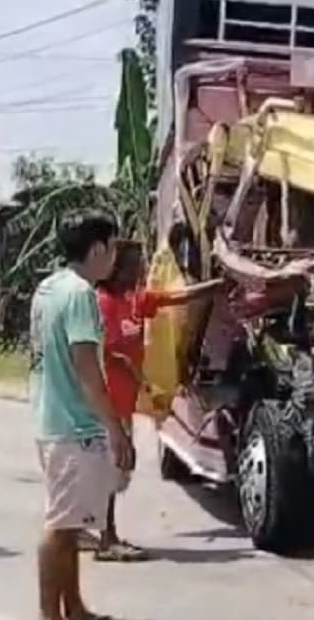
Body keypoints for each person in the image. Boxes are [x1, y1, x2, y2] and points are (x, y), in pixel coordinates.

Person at [89, 239, 221, 562]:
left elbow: (171, 299)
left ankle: (97, 532)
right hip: (108, 404)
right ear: (116, 269)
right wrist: (138, 375)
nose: (140, 271)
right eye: (134, 265)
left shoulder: (135, 301)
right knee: (111, 468)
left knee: (117, 470)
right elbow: (108, 349)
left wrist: (213, 287)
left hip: (125, 402)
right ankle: (106, 538)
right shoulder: (103, 302)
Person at [29, 209, 132, 620]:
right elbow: (87, 368)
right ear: (98, 248)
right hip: (74, 426)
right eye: (113, 248)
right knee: (59, 526)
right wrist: (116, 429)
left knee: (70, 526)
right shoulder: (80, 295)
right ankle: (49, 614)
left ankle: (72, 607)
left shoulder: (48, 288)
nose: (115, 259)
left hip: (51, 418)